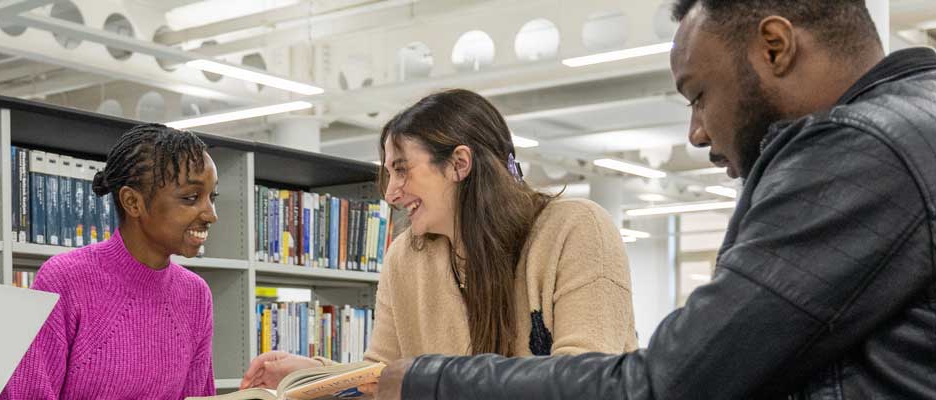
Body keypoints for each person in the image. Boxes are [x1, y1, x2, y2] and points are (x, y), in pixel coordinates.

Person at [374, 1, 936, 399]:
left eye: (699, 94)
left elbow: (665, 387)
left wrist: (422, 381)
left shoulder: (866, 152)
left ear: (775, 46)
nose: (695, 132)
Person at [240, 89, 639, 391]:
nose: (391, 193)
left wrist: (428, 383)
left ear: (459, 164)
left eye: (402, 170)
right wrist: (313, 373)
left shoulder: (577, 230)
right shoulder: (405, 258)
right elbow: (386, 377)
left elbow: (583, 384)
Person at [0, 124, 220, 399]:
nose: (211, 214)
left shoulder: (196, 295)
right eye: (191, 198)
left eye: (212, 197)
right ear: (133, 202)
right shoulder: (65, 278)